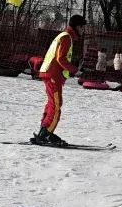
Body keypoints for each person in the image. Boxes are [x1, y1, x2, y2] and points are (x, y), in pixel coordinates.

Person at [32, 15, 87, 146]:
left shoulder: (64, 36)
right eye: (83, 27)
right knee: (56, 106)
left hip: (50, 74)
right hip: (53, 75)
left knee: (52, 104)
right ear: (77, 27)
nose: (84, 30)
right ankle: (45, 133)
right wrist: (74, 69)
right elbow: (61, 58)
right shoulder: (67, 38)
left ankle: (44, 131)